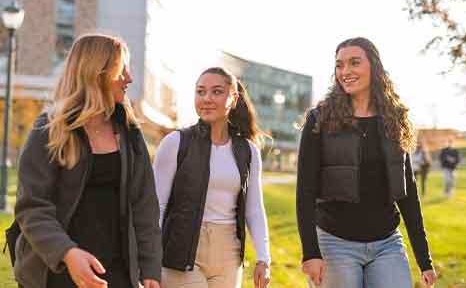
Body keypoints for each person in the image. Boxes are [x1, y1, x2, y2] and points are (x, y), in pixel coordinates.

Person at [14, 34, 161, 288]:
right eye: (122, 69)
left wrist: (150, 269)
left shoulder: (130, 132)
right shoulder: (49, 129)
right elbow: (32, 206)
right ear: (98, 73)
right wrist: (68, 254)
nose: (129, 78)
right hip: (57, 269)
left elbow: (144, 206)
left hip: (117, 273)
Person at [296, 37, 437, 288]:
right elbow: (305, 191)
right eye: (339, 65)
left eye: (354, 63)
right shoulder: (320, 120)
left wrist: (424, 260)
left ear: (374, 66)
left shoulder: (394, 120)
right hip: (335, 242)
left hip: (387, 243)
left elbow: (408, 194)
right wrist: (311, 252)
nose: (345, 71)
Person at [154, 67, 271, 288]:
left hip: (229, 254)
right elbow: (157, 205)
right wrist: (149, 258)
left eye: (217, 92)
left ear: (233, 98)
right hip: (181, 251)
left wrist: (264, 258)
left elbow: (255, 209)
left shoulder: (247, 151)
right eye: (201, 92)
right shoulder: (176, 143)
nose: (206, 99)